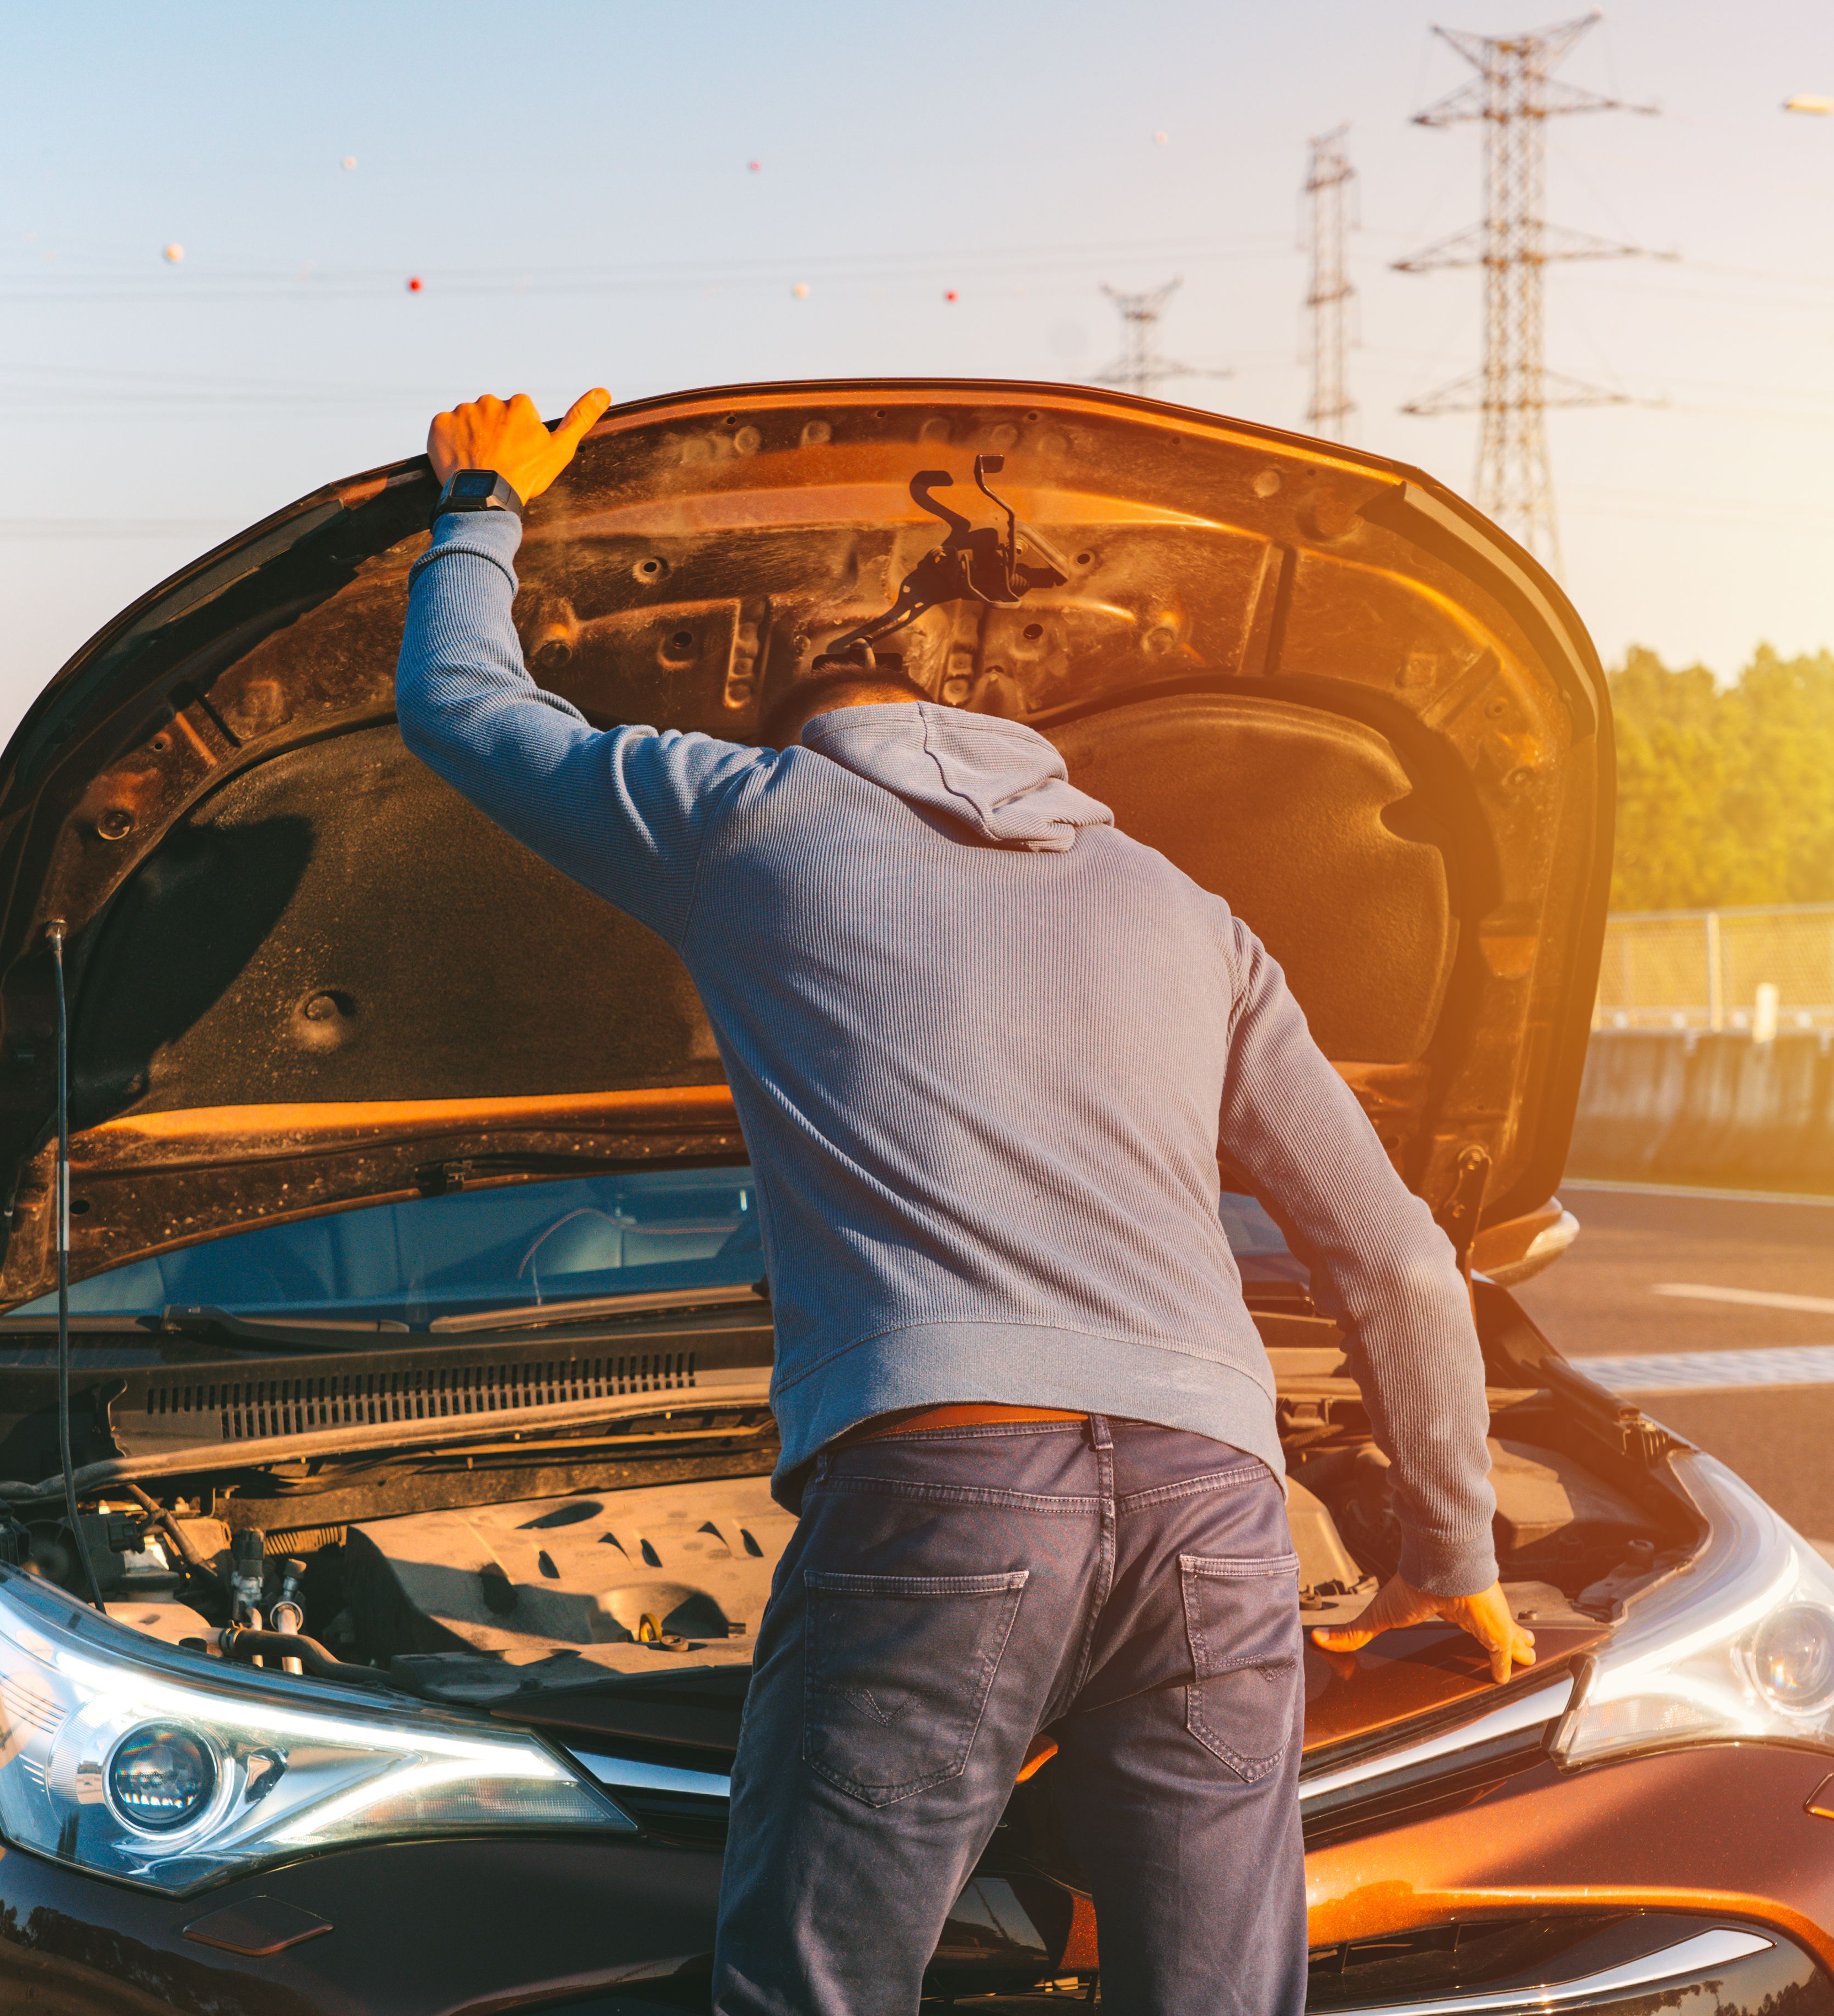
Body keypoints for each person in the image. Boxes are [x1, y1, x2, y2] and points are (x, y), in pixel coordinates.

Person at [395, 391, 1530, 2016]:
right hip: (1223, 1515)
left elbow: (462, 708)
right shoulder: (1186, 911)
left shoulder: (746, 816)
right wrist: (1451, 1552)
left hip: (948, 1488)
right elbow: (1402, 1258)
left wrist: (482, 505)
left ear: (793, 724)